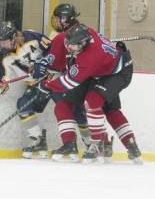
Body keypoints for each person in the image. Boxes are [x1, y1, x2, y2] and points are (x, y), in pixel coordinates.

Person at [35, 22, 143, 164]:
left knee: (95, 102)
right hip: (100, 70)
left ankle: (101, 145)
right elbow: (61, 40)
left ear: (84, 43)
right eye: (68, 42)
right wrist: (46, 61)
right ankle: (69, 146)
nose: (68, 47)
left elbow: (69, 82)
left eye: (73, 45)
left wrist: (47, 85)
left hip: (118, 72)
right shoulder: (80, 34)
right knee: (63, 105)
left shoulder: (90, 57)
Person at [31, 3, 97, 162]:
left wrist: (42, 65)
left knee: (63, 106)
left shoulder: (63, 37)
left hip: (74, 80)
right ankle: (94, 144)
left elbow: (54, 66)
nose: (56, 22)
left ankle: (70, 146)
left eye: (58, 18)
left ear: (65, 19)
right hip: (91, 80)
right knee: (78, 112)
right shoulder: (87, 30)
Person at [0, 21, 53, 159]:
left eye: (4, 41)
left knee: (70, 107)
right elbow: (3, 81)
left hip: (53, 77)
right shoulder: (3, 58)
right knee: (22, 105)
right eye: (0, 42)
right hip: (35, 84)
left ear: (14, 37)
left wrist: (44, 62)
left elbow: (53, 49)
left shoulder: (31, 36)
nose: (1, 45)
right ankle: (38, 141)